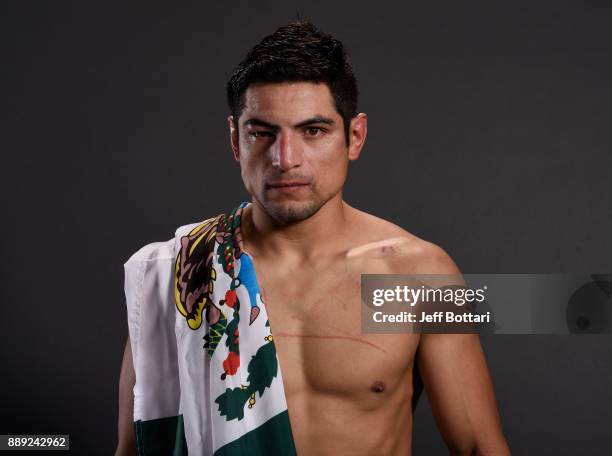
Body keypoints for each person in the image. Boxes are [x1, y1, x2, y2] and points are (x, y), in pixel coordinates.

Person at [116, 21, 510, 456]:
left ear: (354, 137)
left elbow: (479, 447)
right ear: (235, 140)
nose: (285, 159)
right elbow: (134, 449)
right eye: (261, 132)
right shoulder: (184, 271)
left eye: (313, 131)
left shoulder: (418, 276)